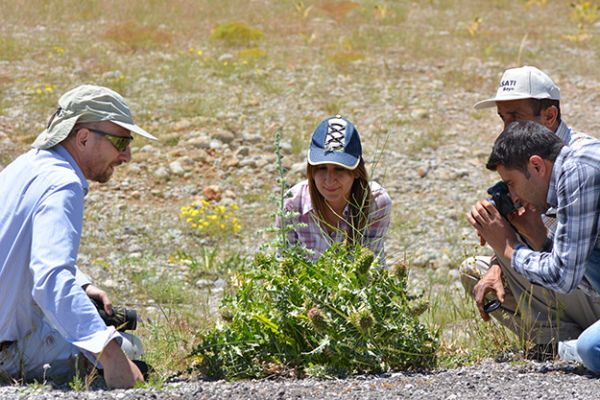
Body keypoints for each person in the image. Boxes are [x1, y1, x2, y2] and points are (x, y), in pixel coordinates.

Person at [0, 85, 157, 388]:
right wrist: (111, 357)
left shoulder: (25, 166)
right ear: (83, 137)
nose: (127, 156)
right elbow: (51, 278)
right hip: (7, 352)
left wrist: (83, 284)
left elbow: (20, 245)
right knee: (129, 347)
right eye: (119, 141)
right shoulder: (63, 184)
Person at [460, 66, 599, 359]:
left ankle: (566, 349)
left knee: (591, 350)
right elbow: (570, 255)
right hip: (582, 281)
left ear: (549, 116)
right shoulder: (531, 159)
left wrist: (507, 247)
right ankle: (555, 343)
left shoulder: (577, 164)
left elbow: (567, 271)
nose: (506, 129)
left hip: (577, 280)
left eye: (515, 117)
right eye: (502, 118)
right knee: (476, 270)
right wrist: (504, 255)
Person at [278, 115, 391, 262]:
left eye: (339, 169)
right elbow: (284, 264)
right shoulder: (291, 204)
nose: (329, 180)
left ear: (356, 171)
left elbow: (370, 268)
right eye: (321, 168)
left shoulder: (376, 203)